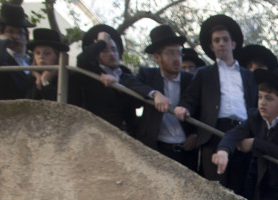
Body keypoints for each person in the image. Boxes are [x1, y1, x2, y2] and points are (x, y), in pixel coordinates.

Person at [175, 15, 256, 191]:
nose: (221, 44)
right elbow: (190, 98)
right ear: (211, 46)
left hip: (242, 133)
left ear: (233, 44)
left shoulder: (248, 75)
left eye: (225, 39)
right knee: (215, 189)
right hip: (213, 133)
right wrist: (184, 107)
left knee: (240, 189)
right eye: (217, 40)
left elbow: (254, 104)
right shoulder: (204, 73)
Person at [214, 68, 278, 200]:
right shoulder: (255, 116)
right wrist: (223, 151)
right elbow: (235, 133)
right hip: (262, 188)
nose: (262, 103)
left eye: (269, 98)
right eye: (260, 97)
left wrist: (255, 143)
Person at [76, 25, 160, 135]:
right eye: (105, 50)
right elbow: (82, 60)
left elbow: (136, 103)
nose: (111, 54)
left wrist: (118, 85)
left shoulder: (126, 74)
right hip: (103, 134)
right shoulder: (92, 73)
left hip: (129, 134)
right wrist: (100, 42)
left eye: (113, 49)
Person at [136, 25, 197, 170]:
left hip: (185, 151)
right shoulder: (147, 75)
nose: (177, 59)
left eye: (179, 53)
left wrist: (196, 134)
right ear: (157, 57)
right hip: (157, 148)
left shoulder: (191, 79)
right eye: (171, 53)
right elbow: (129, 82)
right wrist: (155, 94)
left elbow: (201, 107)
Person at [0, 3, 33, 100]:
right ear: (2, 35)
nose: (16, 37)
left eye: (20, 32)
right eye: (10, 31)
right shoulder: (0, 56)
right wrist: (1, 42)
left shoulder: (31, 61)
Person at [25, 28, 80, 103]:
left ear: (57, 56)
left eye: (47, 53)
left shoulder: (69, 77)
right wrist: (38, 81)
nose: (41, 57)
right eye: (38, 53)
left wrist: (45, 82)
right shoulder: (30, 78)